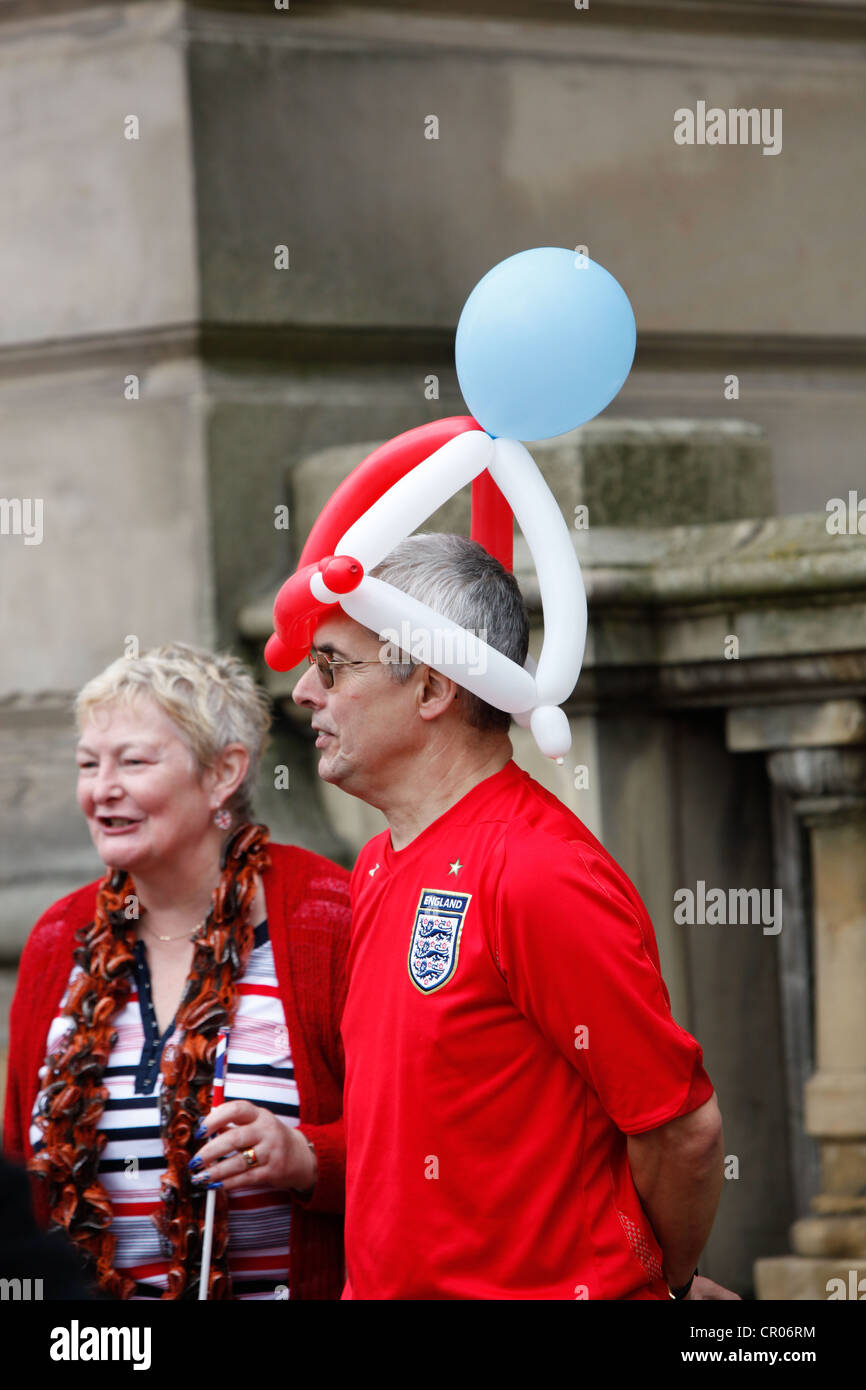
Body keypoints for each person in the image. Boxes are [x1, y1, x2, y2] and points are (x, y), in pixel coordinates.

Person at [292, 532, 736, 1301]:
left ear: (431, 690)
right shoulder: (376, 862)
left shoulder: (539, 872)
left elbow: (683, 1132)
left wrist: (663, 1280)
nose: (303, 690)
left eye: (332, 665)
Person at [4, 643, 350, 1300]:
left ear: (224, 774)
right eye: (88, 764)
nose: (103, 788)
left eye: (132, 761)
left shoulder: (328, 916)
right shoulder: (57, 937)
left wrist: (305, 1157)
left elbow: (419, 1147)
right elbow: (20, 1181)